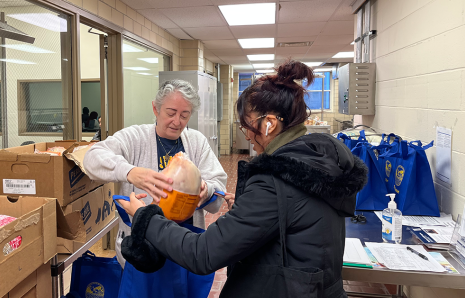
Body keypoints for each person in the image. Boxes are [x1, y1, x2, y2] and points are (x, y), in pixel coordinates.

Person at [116, 60, 368, 298]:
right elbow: (294, 218)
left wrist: (143, 217)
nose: (247, 135)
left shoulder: (275, 180)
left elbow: (203, 254)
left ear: (269, 124)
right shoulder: (320, 161)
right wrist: (251, 210)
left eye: (246, 126)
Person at [83, 79, 228, 268]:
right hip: (141, 249)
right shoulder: (135, 138)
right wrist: (129, 171)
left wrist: (207, 190)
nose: (177, 122)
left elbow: (218, 186)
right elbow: (92, 158)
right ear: (155, 109)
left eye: (185, 115)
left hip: (184, 246)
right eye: (171, 113)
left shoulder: (196, 142)